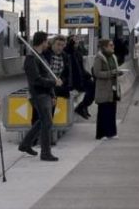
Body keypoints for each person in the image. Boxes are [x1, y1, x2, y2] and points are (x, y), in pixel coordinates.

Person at [18, 31, 62, 162]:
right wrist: (53, 83)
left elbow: (47, 75)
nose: (48, 43)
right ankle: (45, 152)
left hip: (46, 93)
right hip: (38, 94)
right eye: (47, 41)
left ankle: (25, 144)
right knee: (47, 122)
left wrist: (52, 93)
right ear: (42, 42)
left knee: (43, 120)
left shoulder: (40, 57)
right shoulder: (31, 59)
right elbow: (36, 80)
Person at [94, 39, 124, 140]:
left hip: (113, 87)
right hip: (104, 88)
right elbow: (97, 73)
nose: (113, 47)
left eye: (112, 45)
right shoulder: (99, 58)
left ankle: (112, 132)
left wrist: (117, 72)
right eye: (110, 45)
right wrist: (111, 73)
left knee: (112, 110)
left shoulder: (113, 57)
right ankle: (101, 134)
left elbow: (114, 70)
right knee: (104, 111)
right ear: (104, 47)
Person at [66, 35, 94, 119]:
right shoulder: (69, 51)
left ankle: (83, 106)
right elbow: (69, 49)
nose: (77, 42)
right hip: (75, 80)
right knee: (89, 89)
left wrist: (88, 75)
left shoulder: (78, 52)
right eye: (75, 41)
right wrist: (71, 43)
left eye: (78, 40)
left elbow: (81, 67)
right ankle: (81, 107)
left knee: (93, 88)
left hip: (81, 77)